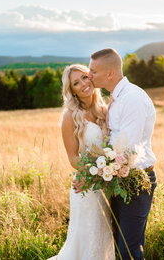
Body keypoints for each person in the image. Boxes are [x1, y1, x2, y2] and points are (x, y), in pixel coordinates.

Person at [87, 48, 157, 260]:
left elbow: (125, 148)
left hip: (136, 181)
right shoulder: (116, 97)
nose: (89, 75)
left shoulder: (132, 98)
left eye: (93, 72)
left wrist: (93, 168)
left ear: (110, 73)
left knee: (130, 250)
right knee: (119, 245)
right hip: (117, 178)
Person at [48, 64, 115, 260]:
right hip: (85, 187)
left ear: (92, 77)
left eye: (85, 77)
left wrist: (107, 171)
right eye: (76, 83)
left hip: (106, 185)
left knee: (103, 238)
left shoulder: (105, 110)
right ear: (73, 91)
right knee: (85, 240)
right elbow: (73, 158)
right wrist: (95, 172)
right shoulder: (70, 116)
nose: (83, 84)